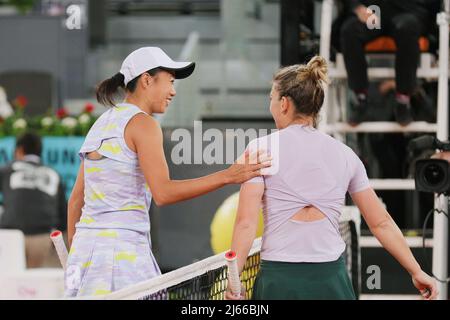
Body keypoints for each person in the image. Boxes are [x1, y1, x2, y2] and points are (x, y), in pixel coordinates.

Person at [225, 56, 438, 300]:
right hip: (331, 281)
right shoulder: (346, 155)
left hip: (279, 281)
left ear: (284, 104)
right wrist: (416, 271)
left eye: (271, 99)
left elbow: (245, 223)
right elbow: (382, 223)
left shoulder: (258, 150)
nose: (270, 105)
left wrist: (234, 282)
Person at [65, 47, 271, 297]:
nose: (173, 91)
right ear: (147, 80)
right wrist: (229, 175)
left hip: (85, 253)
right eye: (170, 82)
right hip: (123, 254)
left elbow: (76, 199)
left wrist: (77, 253)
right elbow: (163, 193)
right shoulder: (144, 124)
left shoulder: (100, 124)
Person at [338, 0, 434, 126]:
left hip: (406, 12)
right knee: (350, 30)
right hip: (374, 12)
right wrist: (357, 7)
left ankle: (403, 100)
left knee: (407, 27)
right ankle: (360, 98)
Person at [0, 132, 67, 268]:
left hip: (11, 236)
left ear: (19, 150)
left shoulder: (7, 170)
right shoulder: (54, 174)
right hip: (42, 238)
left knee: (10, 281)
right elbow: (63, 216)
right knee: (34, 284)